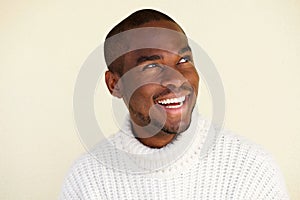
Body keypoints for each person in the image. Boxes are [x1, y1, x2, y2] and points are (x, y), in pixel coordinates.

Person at [60, 9, 289, 199]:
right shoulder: (86, 180)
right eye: (151, 66)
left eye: (183, 60)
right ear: (114, 84)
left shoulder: (252, 170)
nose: (177, 79)